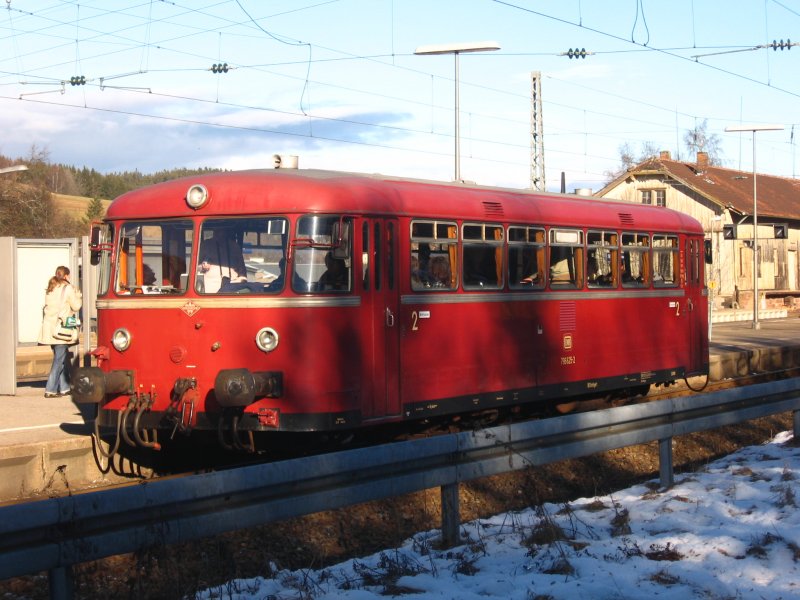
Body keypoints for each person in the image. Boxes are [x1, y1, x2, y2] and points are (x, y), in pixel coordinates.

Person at [38, 266, 82, 398]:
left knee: (61, 358)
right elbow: (76, 306)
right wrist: (78, 296)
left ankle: (64, 387)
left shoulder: (51, 288)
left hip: (51, 329)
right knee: (59, 359)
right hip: (62, 330)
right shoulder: (67, 289)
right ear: (66, 276)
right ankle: (50, 389)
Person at [197, 228, 247, 293]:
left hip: (232, 290)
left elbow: (242, 274)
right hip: (209, 291)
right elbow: (195, 268)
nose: (220, 233)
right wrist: (202, 267)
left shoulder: (234, 247)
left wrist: (239, 282)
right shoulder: (206, 245)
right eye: (218, 230)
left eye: (222, 230)